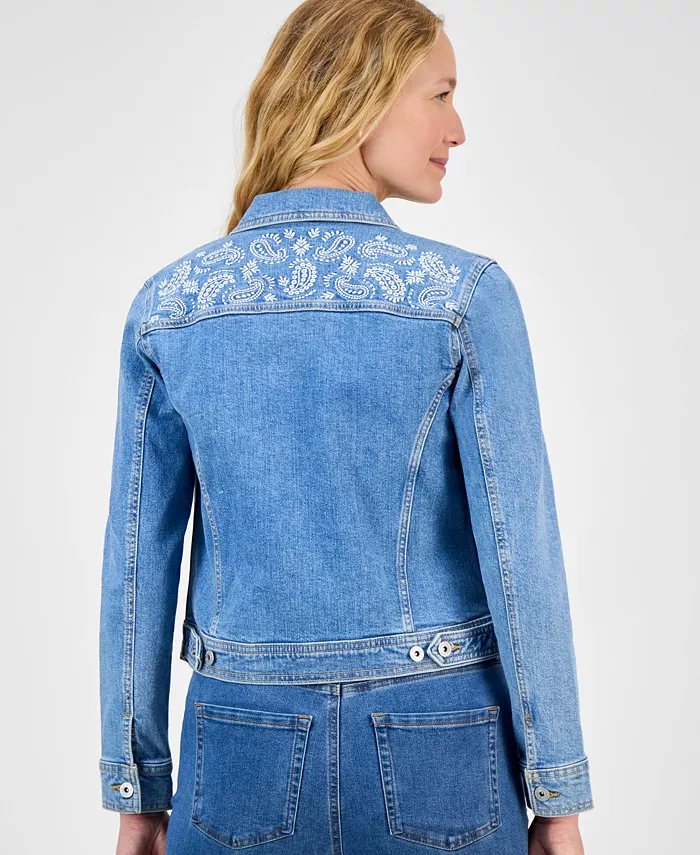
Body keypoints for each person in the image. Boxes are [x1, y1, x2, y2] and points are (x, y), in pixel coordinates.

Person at [98, 1, 594, 853]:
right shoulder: (463, 299)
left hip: (238, 749)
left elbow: (136, 566)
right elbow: (523, 563)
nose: (458, 128)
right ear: (360, 93)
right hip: (443, 744)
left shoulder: (171, 306)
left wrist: (135, 792)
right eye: (440, 94)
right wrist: (559, 794)